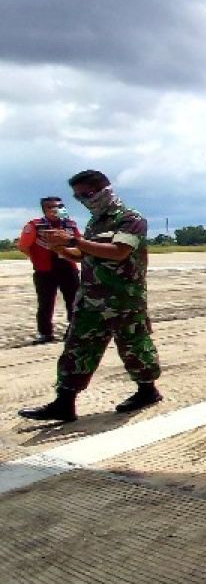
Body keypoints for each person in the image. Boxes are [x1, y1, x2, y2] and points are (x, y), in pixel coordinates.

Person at [19, 171, 163, 423]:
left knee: (134, 347)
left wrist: (74, 240)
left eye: (85, 194)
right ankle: (64, 402)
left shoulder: (130, 219)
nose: (83, 201)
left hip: (123, 299)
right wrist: (62, 249)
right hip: (91, 298)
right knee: (77, 347)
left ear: (102, 189)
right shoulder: (95, 222)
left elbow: (119, 252)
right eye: (78, 197)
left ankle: (147, 390)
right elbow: (85, 255)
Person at [18, 196, 81, 344]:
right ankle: (45, 334)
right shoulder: (35, 225)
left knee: (74, 301)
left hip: (68, 268)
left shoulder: (70, 225)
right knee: (45, 303)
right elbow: (23, 246)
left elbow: (80, 243)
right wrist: (37, 258)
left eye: (59, 206)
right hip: (45, 270)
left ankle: (73, 331)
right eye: (52, 207)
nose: (56, 210)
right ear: (45, 209)